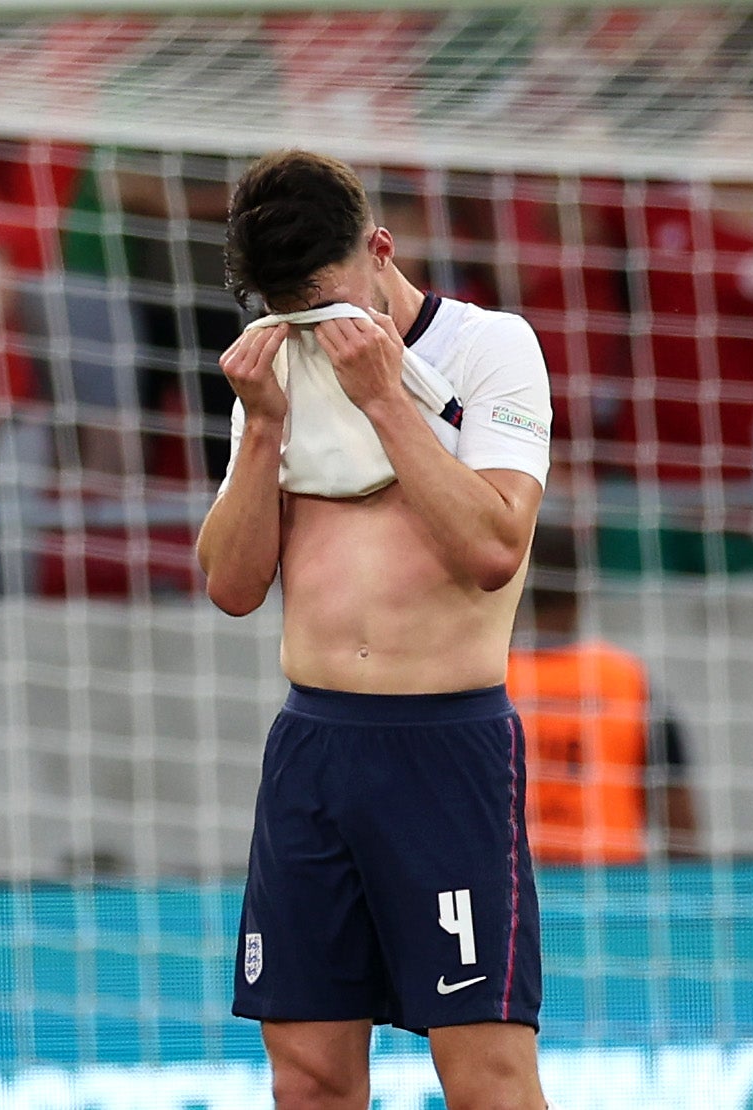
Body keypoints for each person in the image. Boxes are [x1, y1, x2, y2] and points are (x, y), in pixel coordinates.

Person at [196, 149, 555, 1109]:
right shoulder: (273, 365)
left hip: (444, 746)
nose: (306, 329)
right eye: (284, 310)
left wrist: (386, 396)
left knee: (483, 1070)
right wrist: (262, 428)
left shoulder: (489, 350)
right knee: (306, 1073)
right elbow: (231, 587)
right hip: (313, 748)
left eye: (321, 304)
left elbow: (491, 548)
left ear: (380, 251)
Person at [508, 523, 699, 863]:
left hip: (514, 889)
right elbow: (677, 813)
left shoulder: (485, 683)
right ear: (583, 587)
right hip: (612, 891)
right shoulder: (626, 679)